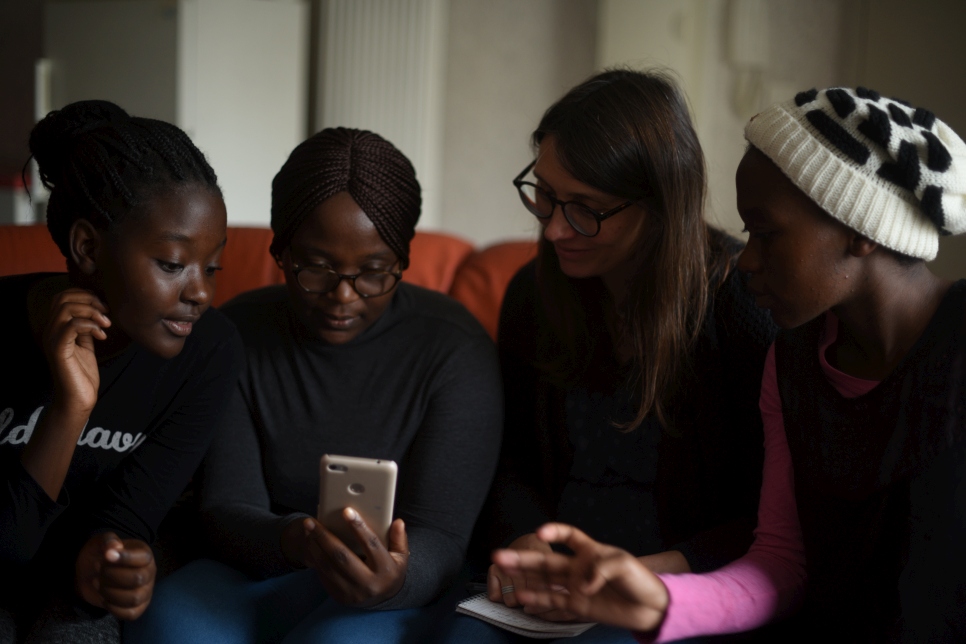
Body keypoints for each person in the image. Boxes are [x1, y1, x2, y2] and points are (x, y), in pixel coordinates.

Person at [491, 86, 966, 642]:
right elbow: (782, 562)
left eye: (764, 234)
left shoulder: (755, 320)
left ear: (858, 226)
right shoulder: (793, 361)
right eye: (746, 234)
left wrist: (656, 577)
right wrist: (650, 600)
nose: (746, 261)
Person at [437, 69, 776, 644]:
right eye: (544, 194)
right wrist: (526, 544)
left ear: (660, 203)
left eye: (585, 209)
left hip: (672, 591)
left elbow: (767, 516)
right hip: (550, 584)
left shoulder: (741, 309)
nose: (553, 229)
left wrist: (644, 574)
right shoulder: (532, 295)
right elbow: (512, 462)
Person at [127, 127, 503, 644]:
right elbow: (225, 507)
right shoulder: (232, 336)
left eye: (374, 272)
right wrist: (297, 540)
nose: (343, 295)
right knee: (168, 629)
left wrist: (394, 580)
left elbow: (441, 533)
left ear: (403, 261)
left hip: (401, 587)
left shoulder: (455, 350)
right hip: (255, 568)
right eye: (316, 268)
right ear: (280, 251)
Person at [0, 100, 241, 643]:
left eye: (212, 266)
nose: (200, 292)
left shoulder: (209, 353)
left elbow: (127, 519)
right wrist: (70, 409)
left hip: (69, 593)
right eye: (173, 265)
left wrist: (110, 560)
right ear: (87, 247)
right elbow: (4, 553)